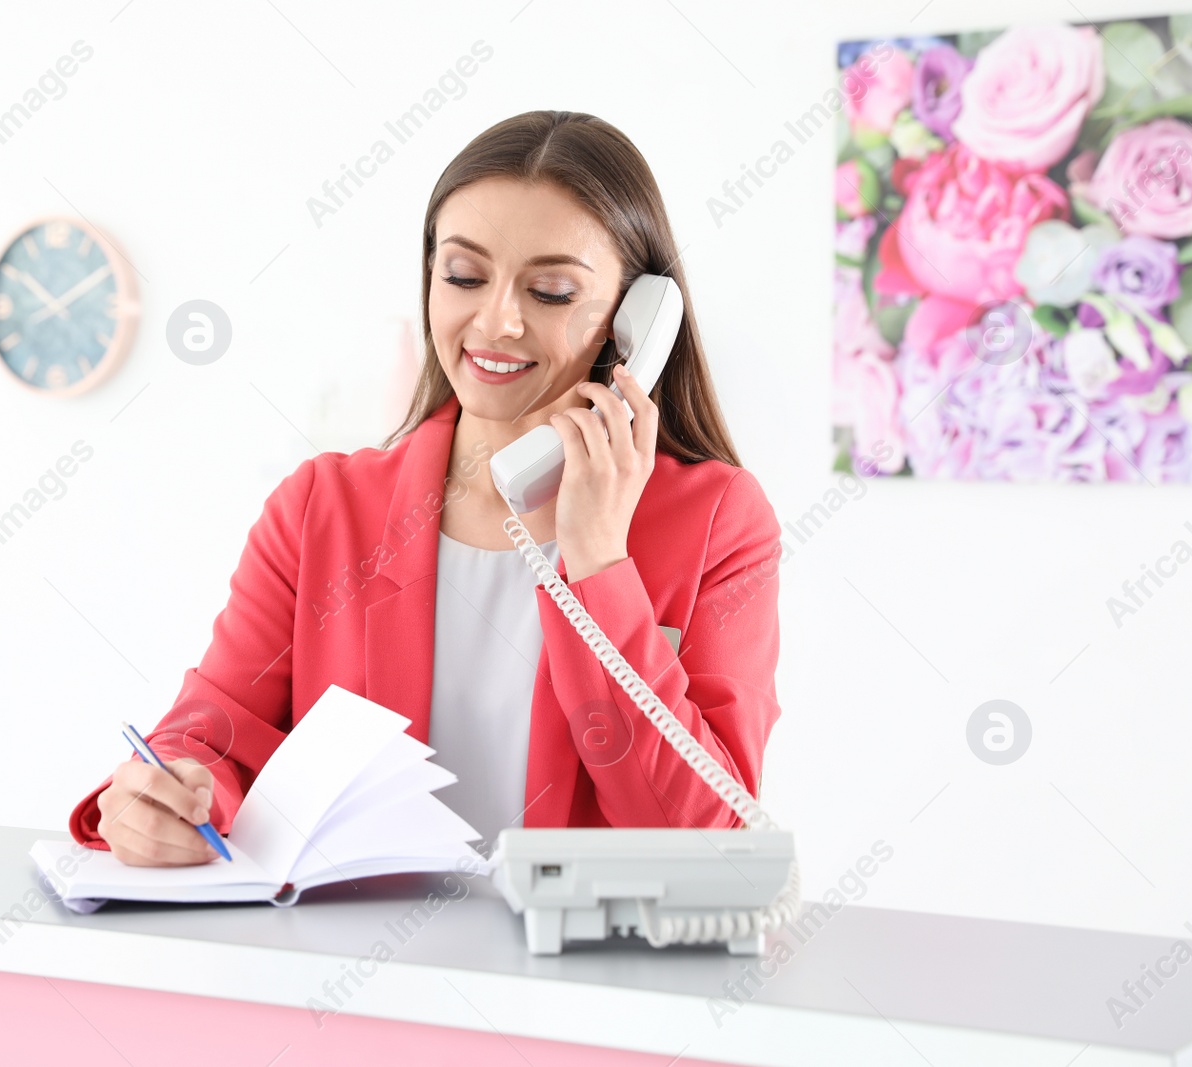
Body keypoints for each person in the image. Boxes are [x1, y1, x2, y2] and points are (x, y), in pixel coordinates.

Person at [68, 110, 782, 867]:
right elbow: (211, 731)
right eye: (465, 276)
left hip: (590, 980)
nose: (496, 320)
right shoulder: (323, 509)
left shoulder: (718, 522)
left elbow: (713, 844)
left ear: (632, 321)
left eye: (550, 291)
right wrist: (169, 792)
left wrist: (600, 560)